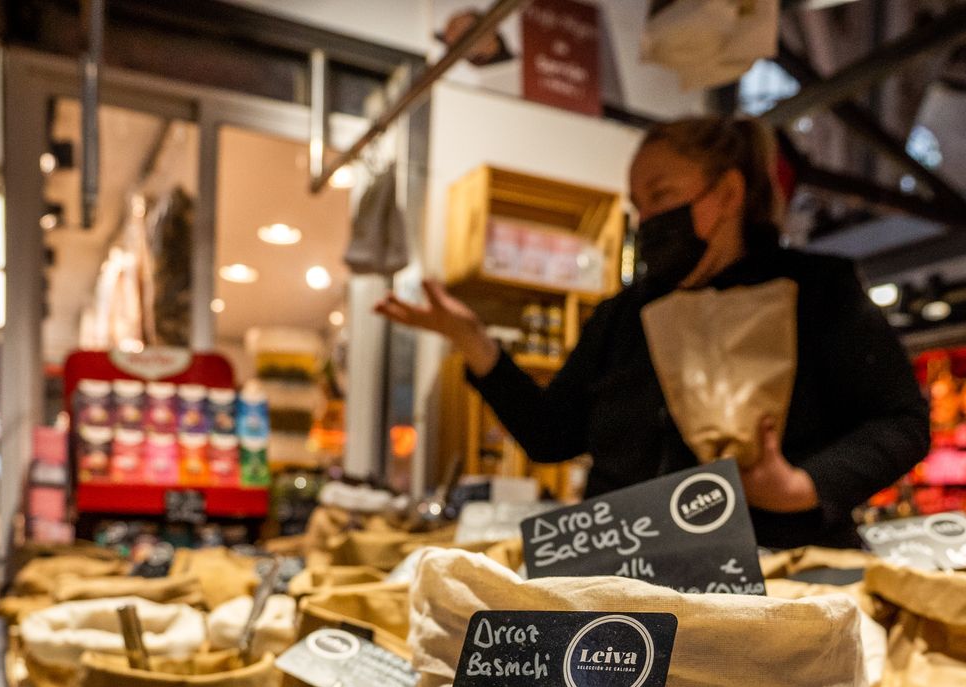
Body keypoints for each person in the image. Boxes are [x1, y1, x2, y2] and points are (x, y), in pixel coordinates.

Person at [379, 116, 929, 548]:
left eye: (661, 196)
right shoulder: (623, 315)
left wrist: (804, 487)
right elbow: (551, 436)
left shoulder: (818, 290)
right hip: (624, 570)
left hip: (776, 571)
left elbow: (901, 422)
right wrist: (474, 341)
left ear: (729, 194)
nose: (646, 220)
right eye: (638, 205)